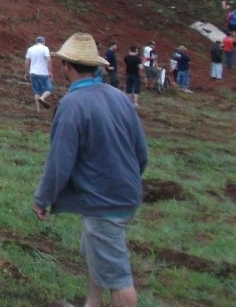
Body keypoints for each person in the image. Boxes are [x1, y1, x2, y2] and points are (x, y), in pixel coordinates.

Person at [33, 33, 148, 307]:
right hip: (124, 196)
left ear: (68, 67)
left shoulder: (72, 105)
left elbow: (60, 162)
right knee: (99, 256)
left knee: (118, 279)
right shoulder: (120, 98)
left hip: (103, 203)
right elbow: (141, 152)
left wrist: (42, 198)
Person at [25, 35, 53, 110]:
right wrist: (50, 72)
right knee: (49, 89)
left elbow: (27, 62)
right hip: (43, 73)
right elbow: (49, 60)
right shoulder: (45, 48)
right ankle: (42, 98)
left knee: (36, 91)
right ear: (44, 42)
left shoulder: (30, 49)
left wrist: (26, 73)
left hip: (33, 73)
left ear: (36, 42)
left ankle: (38, 110)